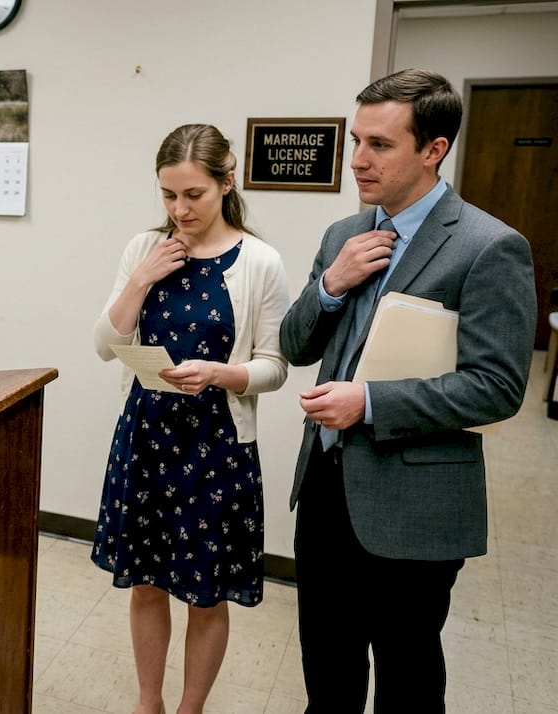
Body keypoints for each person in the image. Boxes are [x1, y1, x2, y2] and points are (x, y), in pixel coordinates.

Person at [280, 68, 536, 713]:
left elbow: (497, 387)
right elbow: (294, 346)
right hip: (326, 488)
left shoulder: (489, 247)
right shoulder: (343, 236)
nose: (359, 160)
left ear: (433, 149)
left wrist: (368, 403)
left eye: (381, 145)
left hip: (416, 502)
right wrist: (328, 287)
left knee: (408, 681)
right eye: (356, 140)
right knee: (328, 675)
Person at [91, 124, 290, 714]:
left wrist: (221, 374)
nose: (180, 210)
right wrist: (141, 278)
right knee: (146, 583)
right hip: (146, 438)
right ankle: (148, 702)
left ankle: (190, 708)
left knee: (206, 594)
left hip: (217, 445)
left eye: (194, 196)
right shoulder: (143, 249)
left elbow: (275, 367)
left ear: (227, 183)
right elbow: (105, 344)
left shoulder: (260, 261)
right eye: (168, 195)